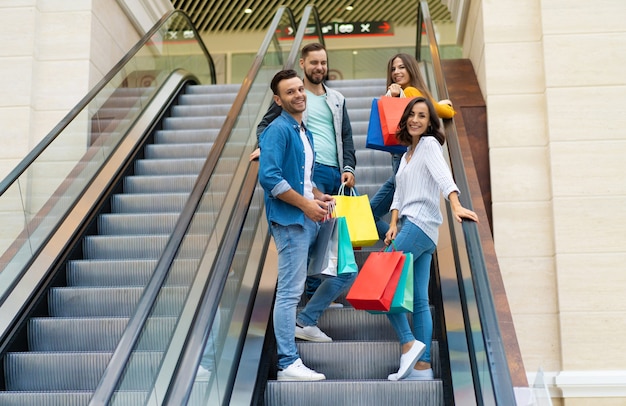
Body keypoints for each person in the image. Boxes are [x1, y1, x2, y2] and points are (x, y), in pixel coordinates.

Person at [258, 69, 355, 381]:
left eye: (300, 89)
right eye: (290, 92)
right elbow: (270, 178)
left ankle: (307, 320)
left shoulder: (304, 132)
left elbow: (304, 178)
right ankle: (287, 363)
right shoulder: (277, 130)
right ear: (278, 99)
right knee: (289, 292)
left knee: (345, 270)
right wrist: (305, 204)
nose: (298, 95)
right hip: (290, 222)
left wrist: (318, 195)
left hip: (309, 215)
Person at [253, 42, 357, 304]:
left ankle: (320, 293)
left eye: (323, 62)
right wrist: (264, 149)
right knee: (311, 233)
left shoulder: (336, 99)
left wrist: (348, 167)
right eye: (314, 62)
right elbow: (266, 126)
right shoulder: (293, 97)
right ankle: (311, 296)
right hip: (309, 171)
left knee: (327, 237)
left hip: (335, 173)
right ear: (303, 64)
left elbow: (346, 135)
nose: (319, 67)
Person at [383, 97, 478, 381]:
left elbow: (442, 175)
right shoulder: (405, 155)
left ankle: (408, 343)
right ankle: (422, 367)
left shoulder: (429, 145)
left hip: (419, 226)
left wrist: (456, 204)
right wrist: (392, 224)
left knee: (382, 285)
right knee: (420, 300)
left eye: (422, 116)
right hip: (417, 230)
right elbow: (400, 193)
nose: (415, 120)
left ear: (429, 122)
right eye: (411, 114)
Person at [370, 53, 456, 239]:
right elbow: (441, 110)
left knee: (376, 212)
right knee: (395, 207)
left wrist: (442, 106)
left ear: (411, 68)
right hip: (403, 155)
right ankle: (404, 239)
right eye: (393, 69)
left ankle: (403, 241)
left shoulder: (409, 92)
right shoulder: (407, 92)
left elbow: (444, 112)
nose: (396, 72)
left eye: (401, 67)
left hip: (404, 156)